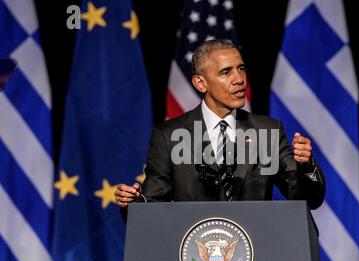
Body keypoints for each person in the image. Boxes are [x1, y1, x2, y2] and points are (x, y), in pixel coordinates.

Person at [115, 39, 325, 210]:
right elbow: (153, 205)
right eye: (226, 72)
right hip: (193, 254)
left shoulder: (267, 131)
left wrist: (306, 167)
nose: (239, 79)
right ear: (200, 83)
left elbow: (306, 199)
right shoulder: (168, 136)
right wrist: (134, 204)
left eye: (241, 69)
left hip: (256, 251)